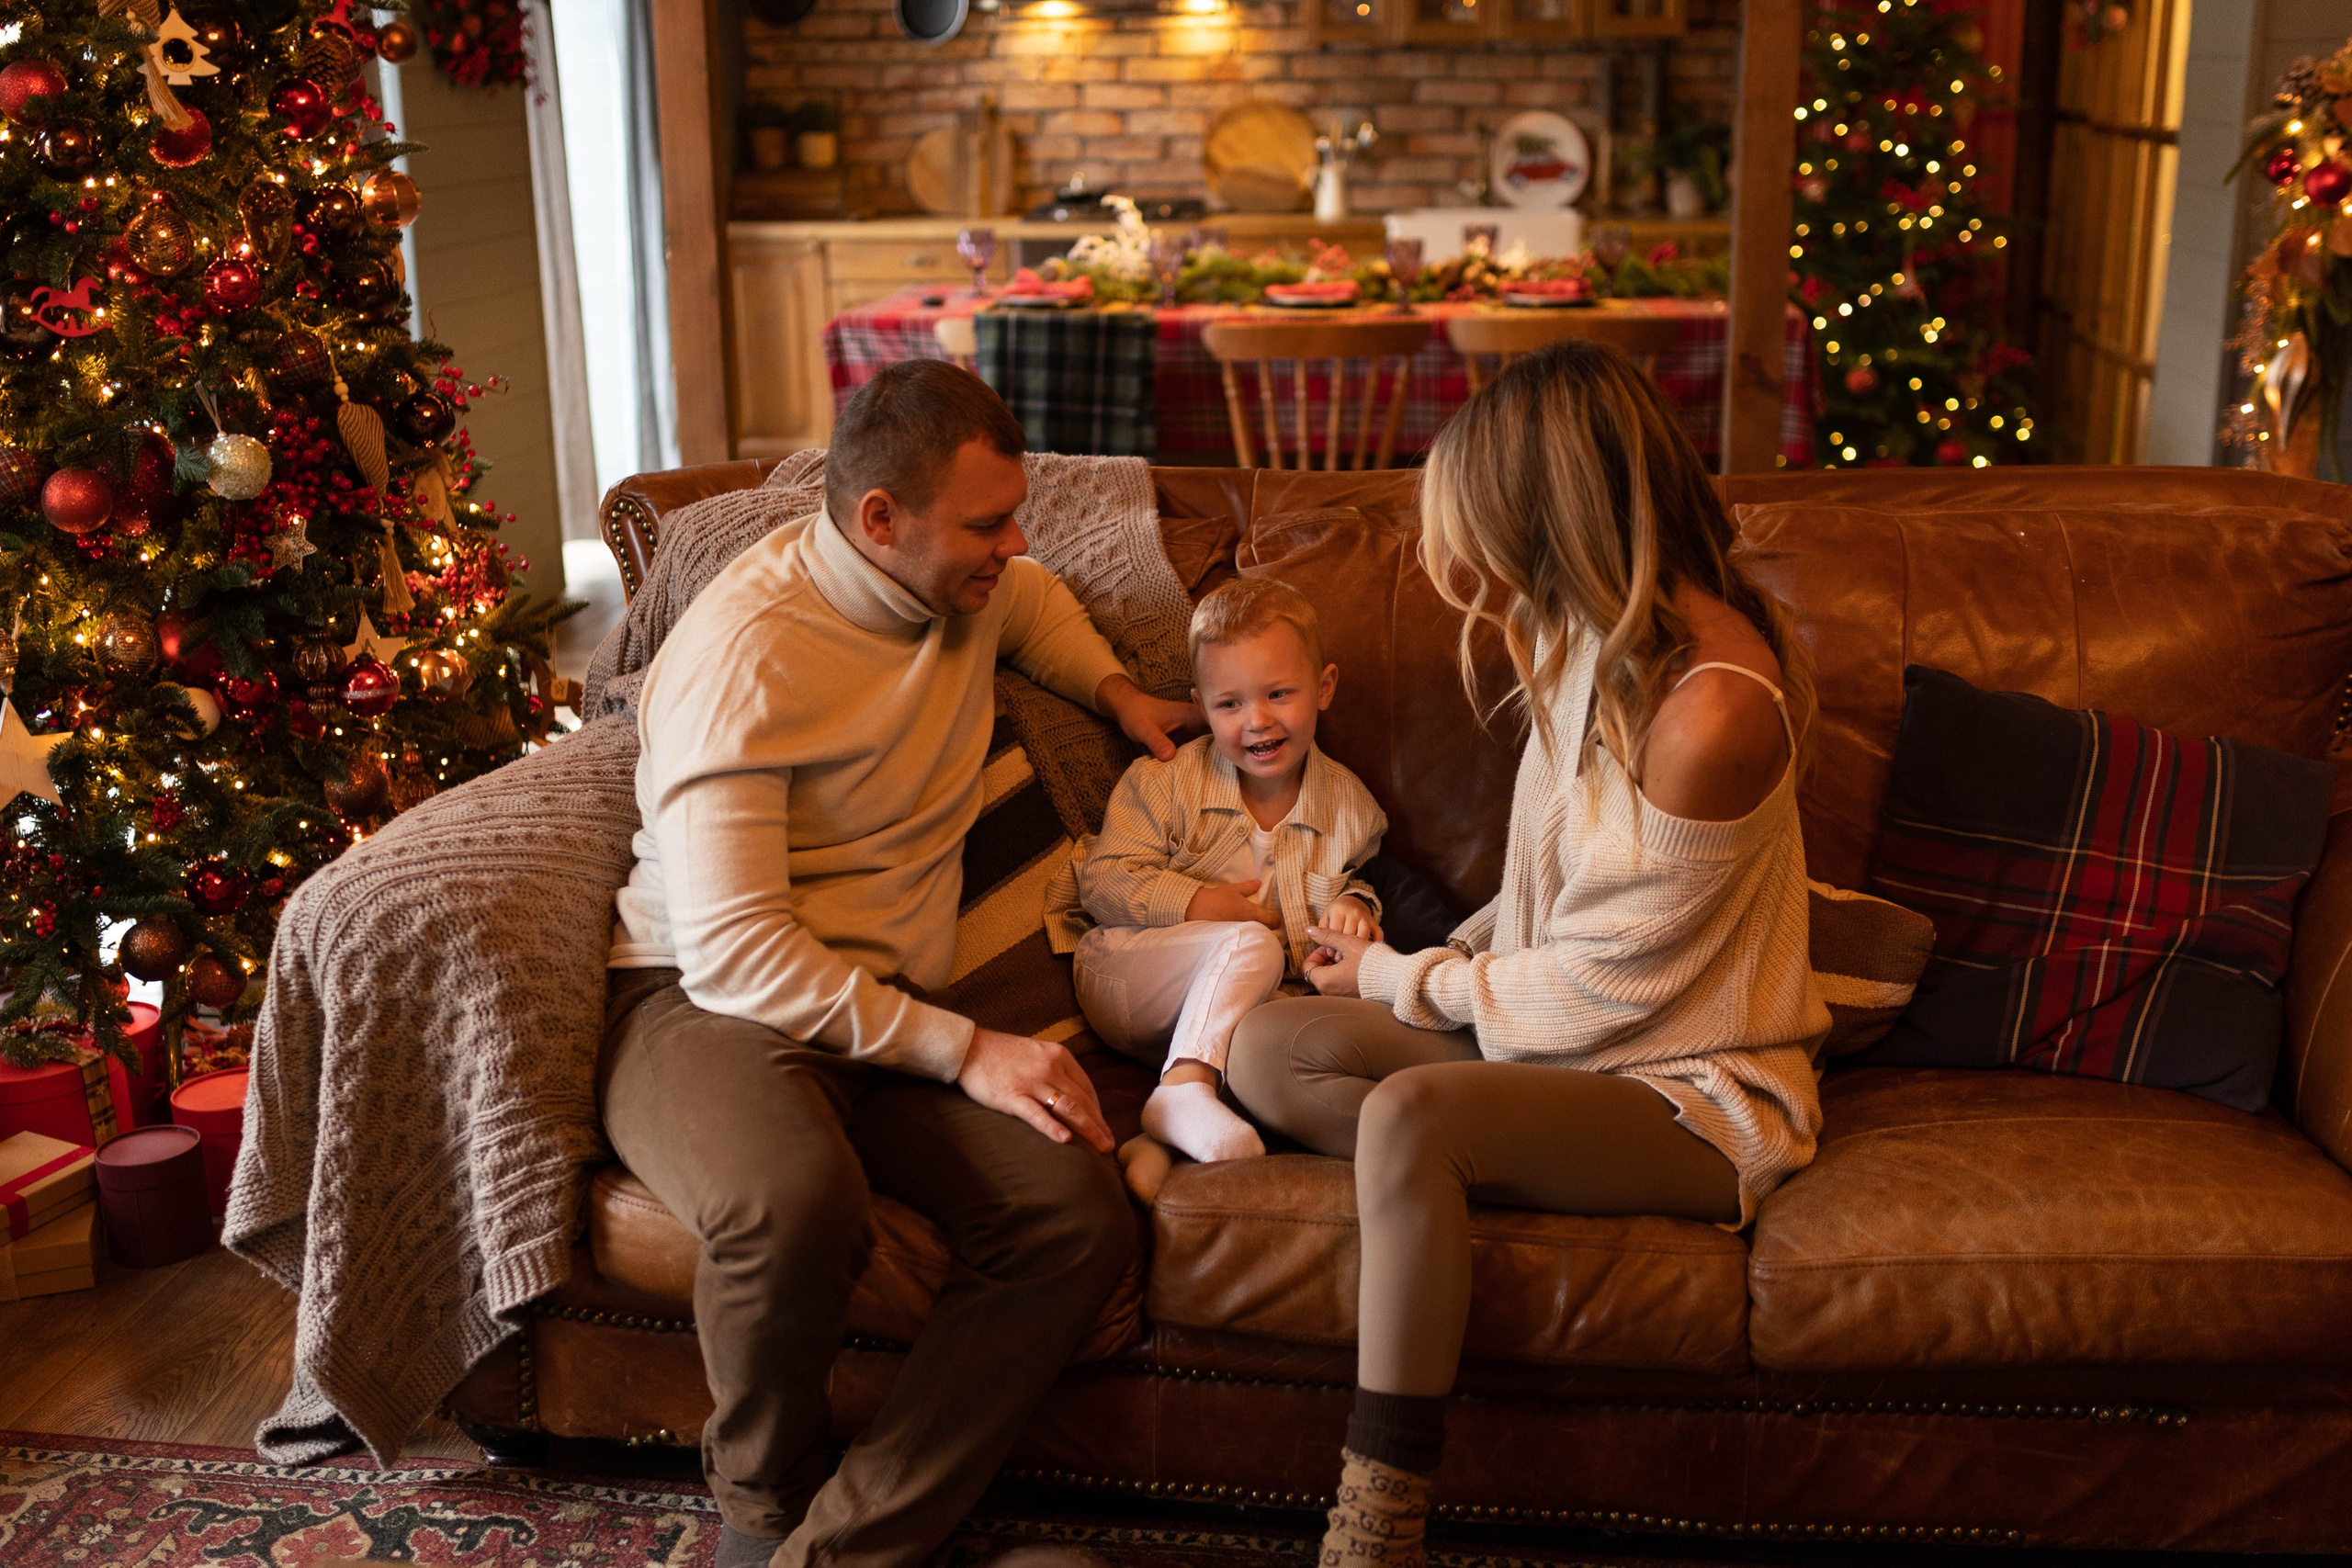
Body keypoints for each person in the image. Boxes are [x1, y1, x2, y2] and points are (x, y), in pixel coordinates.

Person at [1226, 341, 1831, 1568]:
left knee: (1406, 1121)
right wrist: (1437, 953)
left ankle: (1379, 1516)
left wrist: (1405, 977)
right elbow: (1548, 888)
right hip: (1565, 1037)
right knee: (1269, 1043)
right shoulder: (1579, 632)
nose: (1467, 563)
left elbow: (1612, 988)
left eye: (1478, 525)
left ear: (1542, 516)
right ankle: (1462, 1161)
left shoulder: (1712, 706)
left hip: (1687, 1089)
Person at [599, 360, 1199, 1568]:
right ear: (879, 518)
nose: (1017, 543)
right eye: (986, 521)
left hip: (891, 1004)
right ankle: (759, 1507)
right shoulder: (749, 655)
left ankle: (845, 1550)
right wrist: (967, 1047)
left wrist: (1122, 691)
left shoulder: (966, 589)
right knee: (789, 1201)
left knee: (1074, 1220)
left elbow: (1030, 602)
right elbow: (733, 949)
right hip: (708, 1001)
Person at [1046, 578, 1386, 1198]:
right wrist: (1196, 903)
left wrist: (1353, 907)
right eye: (1229, 703)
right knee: (1252, 945)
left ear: (1324, 688)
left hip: (1234, 1009)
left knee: (1284, 1036)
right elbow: (1103, 882)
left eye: (1279, 694)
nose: (1256, 719)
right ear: (1201, 704)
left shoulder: (1350, 807)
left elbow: (1361, 878)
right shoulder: (1165, 781)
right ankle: (1183, 1092)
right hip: (1129, 974)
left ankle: (1161, 1132)